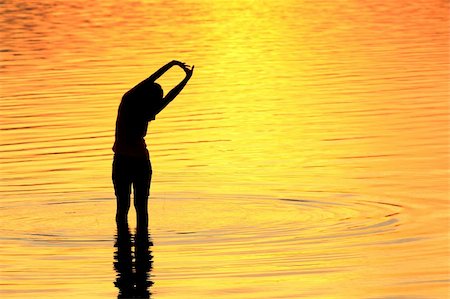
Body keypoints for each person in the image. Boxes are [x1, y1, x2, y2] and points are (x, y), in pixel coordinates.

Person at [112, 60, 194, 228]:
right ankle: (142, 248)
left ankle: (124, 246)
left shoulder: (128, 102)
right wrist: (183, 76)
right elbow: (165, 93)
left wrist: (173, 65)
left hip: (124, 162)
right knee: (140, 209)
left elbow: (157, 85)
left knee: (124, 208)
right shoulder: (139, 106)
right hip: (139, 163)